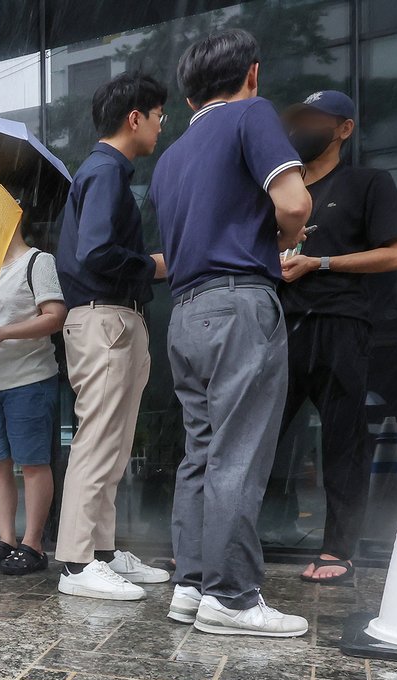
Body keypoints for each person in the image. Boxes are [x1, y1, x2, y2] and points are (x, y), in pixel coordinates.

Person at [148, 29, 313, 637]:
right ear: (252, 73)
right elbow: (294, 203)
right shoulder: (252, 115)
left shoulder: (169, 160)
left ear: (190, 96)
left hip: (185, 312)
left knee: (201, 455)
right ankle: (234, 597)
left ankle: (191, 587)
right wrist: (276, 242)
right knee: (239, 454)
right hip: (240, 301)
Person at [275, 90, 397, 585]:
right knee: (259, 437)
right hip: (283, 325)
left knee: (342, 440)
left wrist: (322, 263)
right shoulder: (282, 194)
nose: (303, 127)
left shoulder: (367, 182)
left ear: (344, 129)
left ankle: (338, 548)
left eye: (317, 119)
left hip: (341, 323)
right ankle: (235, 536)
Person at [54, 71, 173, 600]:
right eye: (158, 114)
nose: (162, 124)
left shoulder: (105, 172)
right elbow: (96, 251)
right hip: (104, 319)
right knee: (99, 442)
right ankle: (79, 565)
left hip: (111, 319)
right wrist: (153, 265)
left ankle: (100, 553)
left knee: (112, 444)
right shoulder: (104, 172)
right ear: (135, 117)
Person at [0, 219, 68, 576]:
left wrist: (3, 334)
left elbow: (55, 316)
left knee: (32, 463)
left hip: (29, 378)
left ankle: (34, 544)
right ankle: (6, 539)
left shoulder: (37, 262)